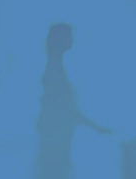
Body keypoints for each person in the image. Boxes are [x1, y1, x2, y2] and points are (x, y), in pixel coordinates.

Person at [36, 23, 111, 179]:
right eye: (69, 36)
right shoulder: (54, 70)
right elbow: (66, 109)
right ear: (60, 40)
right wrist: (97, 127)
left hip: (57, 140)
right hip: (55, 142)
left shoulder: (55, 67)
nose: (72, 40)